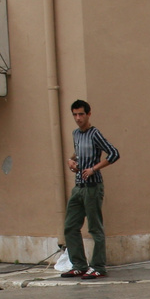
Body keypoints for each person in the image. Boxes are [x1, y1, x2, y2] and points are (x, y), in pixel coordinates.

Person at [63, 99, 120, 280]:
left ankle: (98, 266)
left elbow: (114, 153)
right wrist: (71, 161)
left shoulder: (95, 134)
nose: (78, 118)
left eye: (81, 114)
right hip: (78, 186)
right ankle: (79, 264)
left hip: (93, 186)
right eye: (75, 114)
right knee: (70, 226)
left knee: (95, 228)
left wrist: (94, 168)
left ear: (88, 114)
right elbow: (78, 153)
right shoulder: (76, 134)